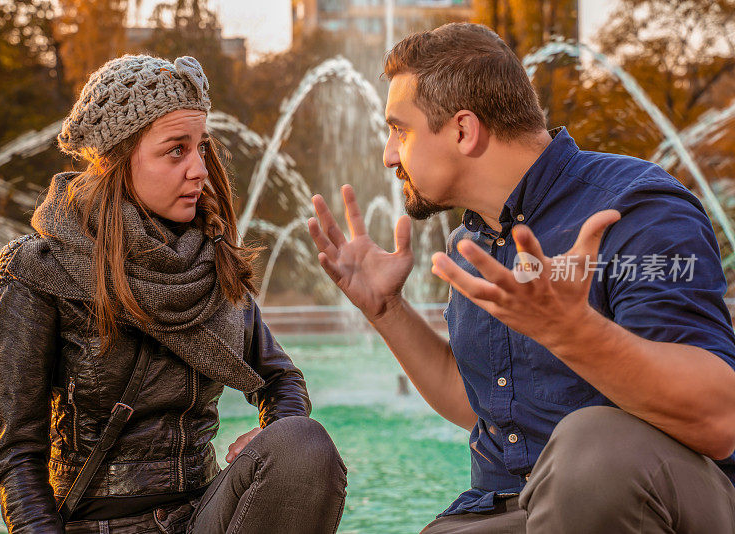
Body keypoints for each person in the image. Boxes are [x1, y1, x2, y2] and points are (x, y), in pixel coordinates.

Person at [308, 23, 735, 533]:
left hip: (659, 501)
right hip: (510, 509)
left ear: (463, 130)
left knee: (591, 448)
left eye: (400, 129)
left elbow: (718, 418)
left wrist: (572, 332)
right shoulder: (471, 247)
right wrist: (386, 310)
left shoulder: (633, 208)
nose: (388, 155)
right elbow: (486, 406)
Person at [0, 54, 347, 534]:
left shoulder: (209, 260)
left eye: (201, 147)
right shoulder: (37, 272)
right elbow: (16, 456)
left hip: (204, 517)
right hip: (98, 526)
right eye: (176, 149)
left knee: (303, 446)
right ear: (117, 159)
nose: (199, 170)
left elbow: (280, 379)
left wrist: (273, 430)